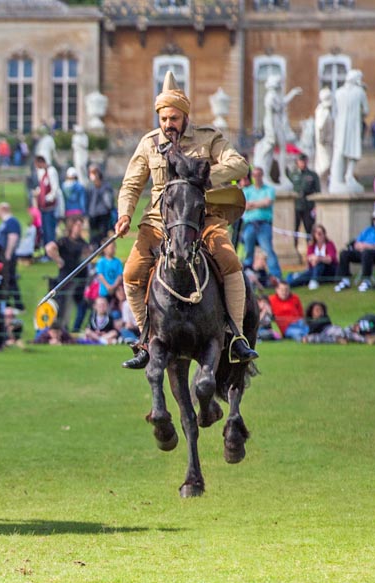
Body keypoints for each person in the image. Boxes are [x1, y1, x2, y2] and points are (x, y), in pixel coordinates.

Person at [114, 70, 256, 369]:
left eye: (173, 119)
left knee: (229, 261)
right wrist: (125, 214)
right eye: (163, 119)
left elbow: (239, 164)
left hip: (203, 217)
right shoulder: (149, 144)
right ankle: (145, 338)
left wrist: (203, 175)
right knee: (131, 274)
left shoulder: (208, 138)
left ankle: (236, 336)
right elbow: (131, 184)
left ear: (185, 117)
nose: (168, 125)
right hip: (158, 221)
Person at [334, 206, 375, 292]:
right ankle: (345, 280)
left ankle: (366, 280)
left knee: (367, 253)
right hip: (363, 252)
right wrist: (364, 246)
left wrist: (370, 246)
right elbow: (357, 243)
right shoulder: (368, 230)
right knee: (344, 253)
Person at [46, 215, 90, 333]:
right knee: (64, 303)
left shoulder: (83, 243)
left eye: (81, 226)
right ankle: (62, 328)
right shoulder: (64, 241)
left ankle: (75, 328)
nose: (80, 229)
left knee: (82, 304)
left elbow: (87, 257)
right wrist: (58, 260)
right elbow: (49, 248)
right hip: (66, 277)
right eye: (78, 226)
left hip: (80, 278)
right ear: (72, 226)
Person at [241, 167, 281, 280]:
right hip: (250, 224)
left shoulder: (269, 189)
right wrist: (260, 203)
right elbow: (245, 206)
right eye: (255, 175)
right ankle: (247, 273)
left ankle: (276, 276)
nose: (257, 177)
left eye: (259, 175)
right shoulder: (247, 191)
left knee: (268, 249)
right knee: (248, 250)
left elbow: (267, 202)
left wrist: (252, 204)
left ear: (262, 175)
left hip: (264, 224)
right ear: (252, 177)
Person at [288, 154, 320, 256]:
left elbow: (317, 191)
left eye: (304, 161)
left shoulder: (312, 175)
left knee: (309, 230)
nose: (302, 163)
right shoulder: (293, 175)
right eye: (300, 161)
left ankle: (310, 252)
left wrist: (315, 207)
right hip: (296, 206)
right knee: (294, 230)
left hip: (308, 206)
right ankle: (294, 252)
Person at [287, 224, 337, 290]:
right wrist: (315, 259)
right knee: (305, 276)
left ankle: (314, 280)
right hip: (314, 270)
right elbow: (309, 259)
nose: (319, 236)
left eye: (321, 233)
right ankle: (289, 284)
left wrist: (319, 258)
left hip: (328, 270)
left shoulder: (329, 244)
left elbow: (331, 259)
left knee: (320, 263)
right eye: (317, 233)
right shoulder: (312, 246)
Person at [0, 202, 22, 310]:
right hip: (3, 256)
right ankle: (7, 303)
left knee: (10, 280)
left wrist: (8, 254)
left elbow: (13, 237)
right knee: (6, 280)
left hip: (8, 256)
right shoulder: (6, 222)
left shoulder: (11, 222)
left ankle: (18, 305)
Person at [32, 155, 60, 252]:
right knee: (44, 230)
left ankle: (51, 251)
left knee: (50, 231)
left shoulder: (51, 172)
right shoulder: (43, 173)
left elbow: (54, 189)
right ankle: (46, 251)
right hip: (43, 208)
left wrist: (46, 199)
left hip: (50, 208)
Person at [86, 167, 115, 245]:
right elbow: (88, 200)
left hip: (103, 214)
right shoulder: (90, 186)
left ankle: (103, 251)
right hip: (92, 214)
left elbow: (109, 202)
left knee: (103, 234)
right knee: (93, 235)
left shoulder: (105, 186)